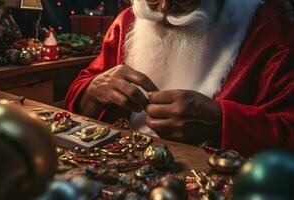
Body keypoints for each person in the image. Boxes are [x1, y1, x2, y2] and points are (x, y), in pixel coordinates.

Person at [65, 0, 294, 157]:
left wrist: (219, 121)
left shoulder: (269, 33)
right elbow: (81, 90)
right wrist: (92, 91)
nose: (163, 8)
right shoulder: (127, 21)